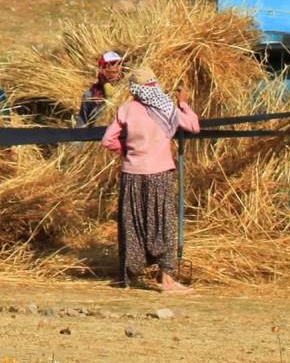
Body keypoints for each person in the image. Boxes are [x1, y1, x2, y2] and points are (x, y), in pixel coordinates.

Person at [102, 66, 200, 293]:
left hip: (132, 175)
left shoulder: (126, 109)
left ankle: (127, 277)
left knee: (132, 224)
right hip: (159, 174)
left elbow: (107, 140)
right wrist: (183, 103)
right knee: (163, 224)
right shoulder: (167, 108)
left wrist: (125, 151)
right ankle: (167, 280)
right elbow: (194, 126)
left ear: (134, 89)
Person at [76, 50, 124, 127]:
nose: (113, 69)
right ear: (101, 71)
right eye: (108, 66)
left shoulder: (129, 93)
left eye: (117, 65)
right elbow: (82, 125)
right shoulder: (90, 95)